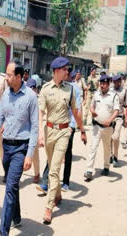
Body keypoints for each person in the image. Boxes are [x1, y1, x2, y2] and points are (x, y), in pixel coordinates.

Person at [0, 61, 38, 236]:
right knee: (12, 185)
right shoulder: (6, 95)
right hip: (6, 147)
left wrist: (29, 154)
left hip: (21, 148)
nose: (5, 77)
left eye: (8, 75)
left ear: (18, 76)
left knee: (9, 188)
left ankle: (3, 232)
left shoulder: (30, 97)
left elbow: (35, 128)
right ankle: (17, 216)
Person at [38, 57, 87, 224]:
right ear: (57, 71)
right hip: (49, 130)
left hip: (64, 132)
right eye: (65, 69)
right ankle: (57, 195)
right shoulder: (45, 89)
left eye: (68, 69)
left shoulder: (71, 90)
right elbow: (40, 113)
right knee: (52, 166)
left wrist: (82, 130)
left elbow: (76, 112)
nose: (68, 72)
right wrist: (40, 133)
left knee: (54, 169)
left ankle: (49, 206)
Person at [36, 71, 83, 193]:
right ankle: (46, 183)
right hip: (54, 128)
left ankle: (65, 182)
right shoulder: (50, 88)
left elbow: (76, 110)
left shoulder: (74, 90)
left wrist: (73, 126)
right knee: (52, 156)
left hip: (68, 127)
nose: (65, 75)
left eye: (67, 74)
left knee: (67, 155)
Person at [84, 75, 120, 180]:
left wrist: (109, 120)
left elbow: (116, 110)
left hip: (108, 127)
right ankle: (89, 170)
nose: (102, 85)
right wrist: (92, 111)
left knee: (106, 147)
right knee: (93, 147)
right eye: (101, 83)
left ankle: (106, 167)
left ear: (108, 84)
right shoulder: (96, 94)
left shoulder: (114, 96)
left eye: (104, 84)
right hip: (97, 126)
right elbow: (91, 105)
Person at [110, 74, 127, 167]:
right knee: (109, 138)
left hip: (119, 117)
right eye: (116, 81)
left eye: (119, 81)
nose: (117, 83)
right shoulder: (110, 91)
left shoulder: (124, 91)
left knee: (115, 137)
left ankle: (115, 156)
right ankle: (110, 155)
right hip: (110, 117)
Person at [26, 78, 40, 183]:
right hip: (24, 130)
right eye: (29, 88)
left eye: (33, 88)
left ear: (35, 89)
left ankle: (37, 173)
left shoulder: (38, 100)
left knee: (35, 154)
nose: (31, 90)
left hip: (34, 130)